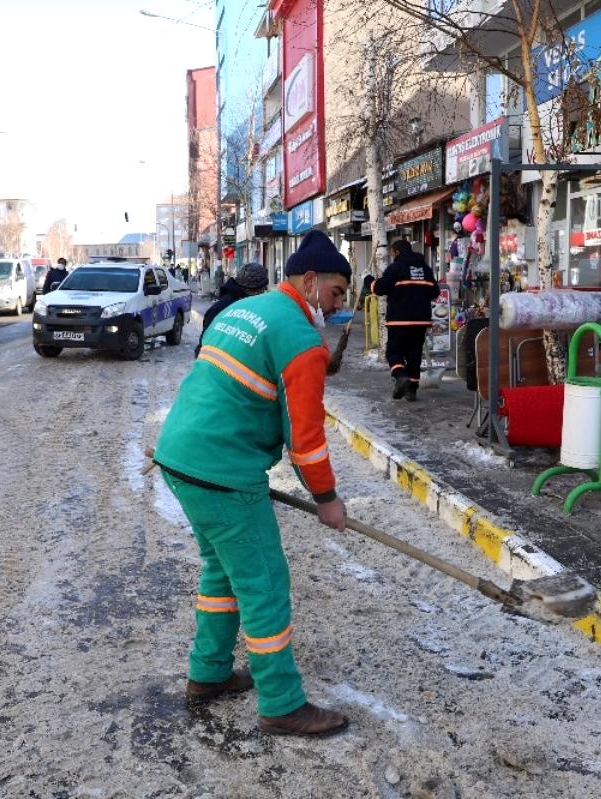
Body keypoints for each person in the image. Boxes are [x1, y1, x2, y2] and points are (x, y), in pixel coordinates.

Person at [152, 229, 351, 738]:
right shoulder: (303, 341)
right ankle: (282, 702)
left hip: (180, 455)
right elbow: (305, 441)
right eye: (335, 292)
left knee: (222, 574)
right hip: (223, 470)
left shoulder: (247, 310)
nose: (336, 305)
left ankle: (209, 673)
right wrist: (327, 500)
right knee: (263, 584)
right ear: (309, 282)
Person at [374, 238, 438, 402]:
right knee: (414, 355)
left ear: (397, 252)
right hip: (421, 321)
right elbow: (435, 292)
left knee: (394, 352)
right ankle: (412, 391)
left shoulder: (395, 268)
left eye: (392, 253)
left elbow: (381, 288)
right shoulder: (425, 269)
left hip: (399, 321)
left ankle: (401, 376)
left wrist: (369, 281)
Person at [194, 261, 268, 358]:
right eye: (261, 290)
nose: (263, 293)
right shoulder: (222, 308)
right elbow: (204, 344)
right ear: (250, 290)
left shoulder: (252, 304)